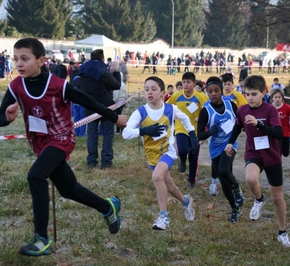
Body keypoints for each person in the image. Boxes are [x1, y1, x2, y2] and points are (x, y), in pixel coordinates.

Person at [0, 38, 127, 256]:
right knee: (69, 189)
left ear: (41, 60)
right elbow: (1, 117)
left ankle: (41, 238)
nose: (19, 64)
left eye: (24, 58)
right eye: (16, 59)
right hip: (39, 142)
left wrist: (114, 117)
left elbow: (90, 102)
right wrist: (8, 118)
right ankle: (107, 207)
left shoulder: (58, 85)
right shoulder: (15, 87)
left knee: (35, 175)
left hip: (61, 138)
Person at [225, 75, 290, 247]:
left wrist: (258, 125)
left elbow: (278, 133)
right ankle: (259, 199)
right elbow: (238, 126)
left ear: (264, 92)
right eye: (247, 94)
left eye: (254, 94)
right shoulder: (242, 110)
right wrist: (230, 142)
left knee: (277, 198)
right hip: (254, 152)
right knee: (251, 179)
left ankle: (282, 232)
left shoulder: (270, 110)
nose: (250, 98)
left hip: (272, 155)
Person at [122, 76, 196, 230]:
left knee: (156, 177)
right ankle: (186, 202)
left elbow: (186, 118)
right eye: (147, 89)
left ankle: (164, 217)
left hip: (168, 152)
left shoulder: (170, 109)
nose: (149, 92)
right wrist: (144, 130)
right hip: (152, 156)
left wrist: (192, 133)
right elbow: (126, 133)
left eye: (154, 89)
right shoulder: (140, 111)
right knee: (170, 187)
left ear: (162, 92)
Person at [197, 77, 244, 223]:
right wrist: (210, 131)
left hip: (230, 144)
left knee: (223, 171)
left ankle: (237, 189)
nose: (213, 94)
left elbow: (240, 123)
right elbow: (200, 135)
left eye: (216, 90)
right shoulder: (205, 111)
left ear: (222, 91)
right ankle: (234, 209)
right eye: (210, 91)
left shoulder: (231, 105)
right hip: (215, 148)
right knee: (224, 181)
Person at [79, 49, 121, 169]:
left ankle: (91, 161)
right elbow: (116, 85)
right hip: (106, 107)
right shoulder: (103, 72)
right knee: (108, 134)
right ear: (102, 58)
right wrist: (116, 71)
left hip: (89, 106)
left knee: (91, 135)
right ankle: (106, 162)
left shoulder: (82, 71)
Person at [166, 72, 208, 187]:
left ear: (194, 83)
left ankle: (191, 180)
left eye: (188, 82)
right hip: (181, 128)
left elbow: (209, 109)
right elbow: (166, 106)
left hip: (195, 131)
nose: (186, 85)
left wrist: (202, 117)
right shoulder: (176, 96)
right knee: (183, 150)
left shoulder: (200, 97)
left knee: (194, 156)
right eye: (184, 82)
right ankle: (183, 159)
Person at [270, 89, 290, 158]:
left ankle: (284, 153)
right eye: (275, 97)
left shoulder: (287, 107)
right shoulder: (270, 108)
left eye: (279, 97)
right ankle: (278, 164)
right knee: (278, 151)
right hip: (275, 133)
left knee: (285, 153)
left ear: (282, 98)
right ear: (272, 98)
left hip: (285, 132)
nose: (277, 99)